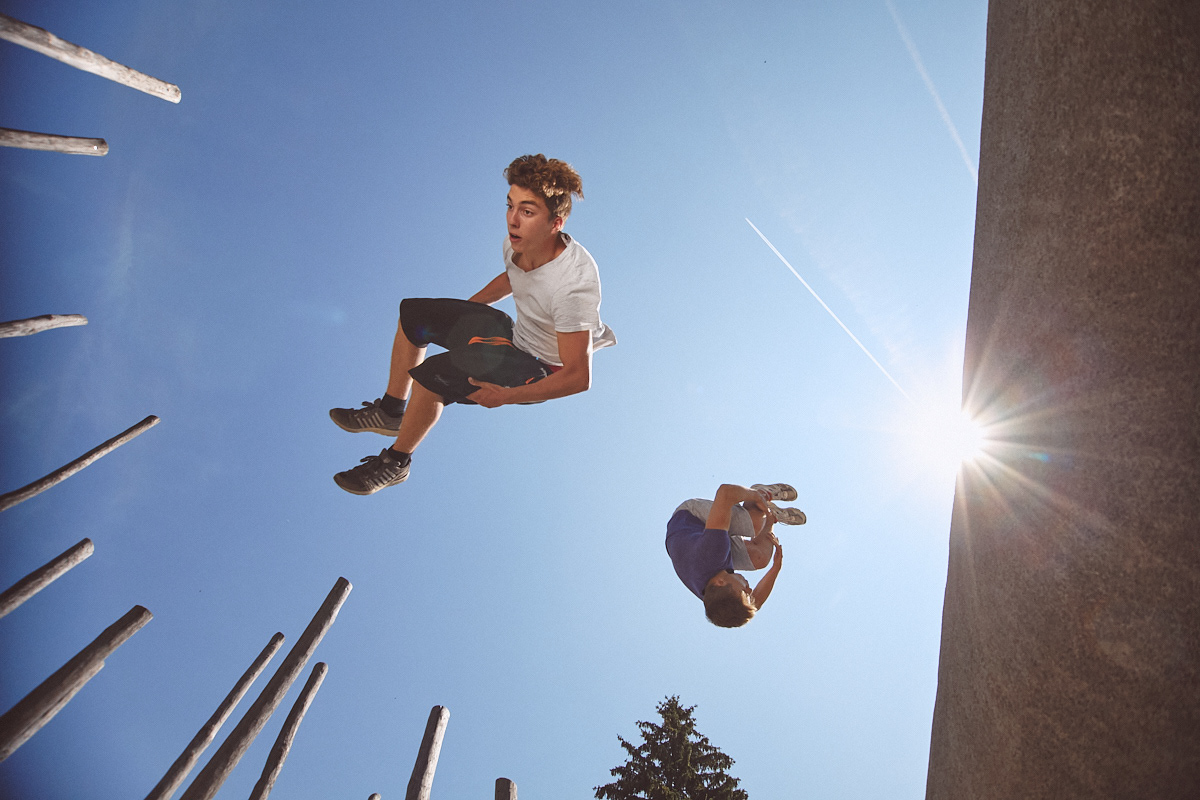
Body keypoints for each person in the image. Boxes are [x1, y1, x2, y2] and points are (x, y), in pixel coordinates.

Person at [330, 154, 616, 495]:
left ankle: (396, 463)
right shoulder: (518, 244)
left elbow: (578, 377)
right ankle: (390, 412)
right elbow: (514, 277)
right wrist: (463, 313)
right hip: (513, 336)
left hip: (535, 368)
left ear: (557, 223)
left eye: (527, 211)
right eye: (510, 205)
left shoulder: (573, 286)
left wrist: (508, 397)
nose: (513, 221)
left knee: (434, 375)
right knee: (415, 314)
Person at [666, 483, 807, 628]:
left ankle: (762, 496)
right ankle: (771, 517)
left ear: (720, 582)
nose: (750, 589)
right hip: (697, 545)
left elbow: (725, 492)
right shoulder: (717, 599)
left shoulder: (713, 553)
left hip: (691, 517)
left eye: (744, 591)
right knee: (761, 558)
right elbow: (754, 603)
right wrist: (775, 568)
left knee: (754, 523)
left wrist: (755, 496)